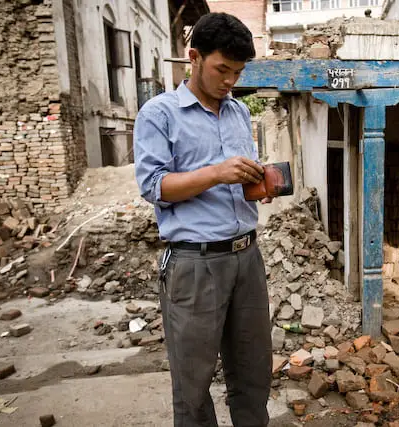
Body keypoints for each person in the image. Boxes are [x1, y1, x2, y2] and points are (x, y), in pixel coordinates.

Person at [133, 12, 272, 427]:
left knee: (252, 373)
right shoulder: (159, 113)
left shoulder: (239, 114)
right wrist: (218, 172)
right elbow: (153, 186)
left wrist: (257, 184)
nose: (230, 80)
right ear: (193, 57)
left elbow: (237, 176)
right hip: (195, 264)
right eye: (222, 69)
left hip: (247, 258)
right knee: (192, 385)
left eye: (238, 71)